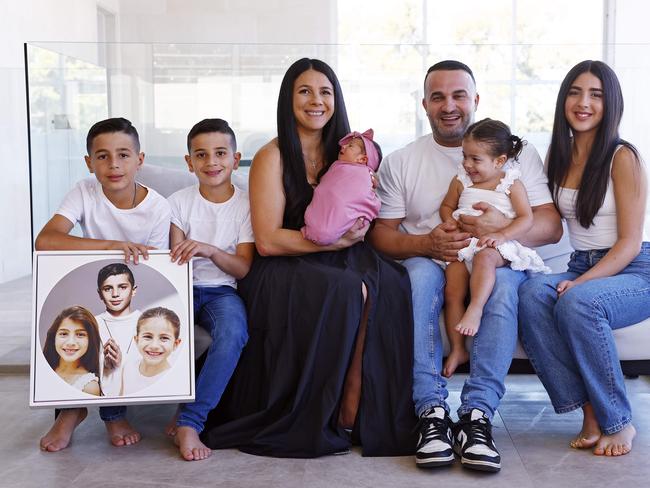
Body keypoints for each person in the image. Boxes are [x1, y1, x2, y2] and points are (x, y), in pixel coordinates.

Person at [201, 58, 417, 458]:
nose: (316, 101)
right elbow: (267, 240)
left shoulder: (352, 154)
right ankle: (338, 410)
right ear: (289, 99)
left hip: (342, 253)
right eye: (305, 91)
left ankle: (361, 406)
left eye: (325, 92)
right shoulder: (274, 154)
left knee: (391, 282)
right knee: (348, 290)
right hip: (285, 261)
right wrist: (330, 245)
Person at [368, 60, 562, 472]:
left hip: (494, 252)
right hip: (431, 257)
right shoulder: (403, 161)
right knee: (418, 281)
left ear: (475, 99)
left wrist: (504, 230)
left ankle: (478, 414)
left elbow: (549, 225)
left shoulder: (513, 156)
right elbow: (379, 234)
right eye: (438, 96)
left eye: (459, 95)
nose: (449, 105)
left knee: (505, 287)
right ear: (424, 104)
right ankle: (431, 413)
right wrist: (425, 242)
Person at [518, 60, 649, 457]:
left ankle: (618, 421)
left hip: (635, 269)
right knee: (531, 294)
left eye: (595, 94)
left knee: (578, 302)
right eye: (575, 92)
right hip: (582, 263)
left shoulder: (622, 157)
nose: (583, 102)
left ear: (611, 103)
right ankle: (590, 413)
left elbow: (629, 243)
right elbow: (542, 218)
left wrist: (582, 282)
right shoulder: (559, 155)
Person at [35, 117, 171, 452]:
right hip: (94, 282)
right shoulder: (84, 191)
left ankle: (112, 416)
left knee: (117, 323)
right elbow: (46, 240)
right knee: (75, 324)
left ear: (140, 160)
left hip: (135, 288)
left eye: (124, 155)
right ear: (89, 162)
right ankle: (71, 408)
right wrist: (112, 246)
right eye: (103, 156)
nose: (114, 165)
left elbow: (156, 270)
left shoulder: (158, 207)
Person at [166, 118, 253, 461]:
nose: (211, 162)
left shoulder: (246, 204)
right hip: (181, 288)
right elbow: (173, 262)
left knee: (233, 333)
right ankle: (148, 409)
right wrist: (188, 251)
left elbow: (243, 268)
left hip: (221, 291)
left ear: (236, 158)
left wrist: (210, 250)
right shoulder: (177, 202)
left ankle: (190, 421)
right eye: (201, 155)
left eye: (220, 153)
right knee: (159, 328)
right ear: (189, 162)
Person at [440, 119, 550, 374]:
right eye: (465, 156)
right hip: (463, 245)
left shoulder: (510, 184)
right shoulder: (461, 180)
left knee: (485, 259)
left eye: (476, 159)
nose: (468, 164)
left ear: (499, 161)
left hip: (495, 245)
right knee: (452, 291)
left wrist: (502, 234)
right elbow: (447, 206)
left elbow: (526, 218)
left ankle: (476, 308)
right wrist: (449, 223)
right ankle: (458, 348)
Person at [301, 128, 382, 245]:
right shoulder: (336, 166)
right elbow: (327, 187)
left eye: (350, 146)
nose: (343, 146)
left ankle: (326, 232)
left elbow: (361, 195)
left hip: (344, 224)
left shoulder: (364, 174)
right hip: (321, 217)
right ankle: (320, 230)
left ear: (362, 159)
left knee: (342, 204)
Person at [95, 263, 141, 397]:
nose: (115, 294)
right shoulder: (92, 323)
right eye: (108, 288)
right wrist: (104, 363)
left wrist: (122, 361)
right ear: (100, 294)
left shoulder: (147, 322)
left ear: (133, 290)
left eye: (122, 287)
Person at [42, 306, 101, 396]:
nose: (71, 342)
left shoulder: (89, 387)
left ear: (91, 340)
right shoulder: (43, 370)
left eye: (80, 334)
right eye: (64, 334)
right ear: (53, 336)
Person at [121, 307, 181, 395]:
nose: (154, 346)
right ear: (136, 340)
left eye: (164, 338)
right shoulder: (128, 368)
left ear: (175, 344)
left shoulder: (175, 381)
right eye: (148, 337)